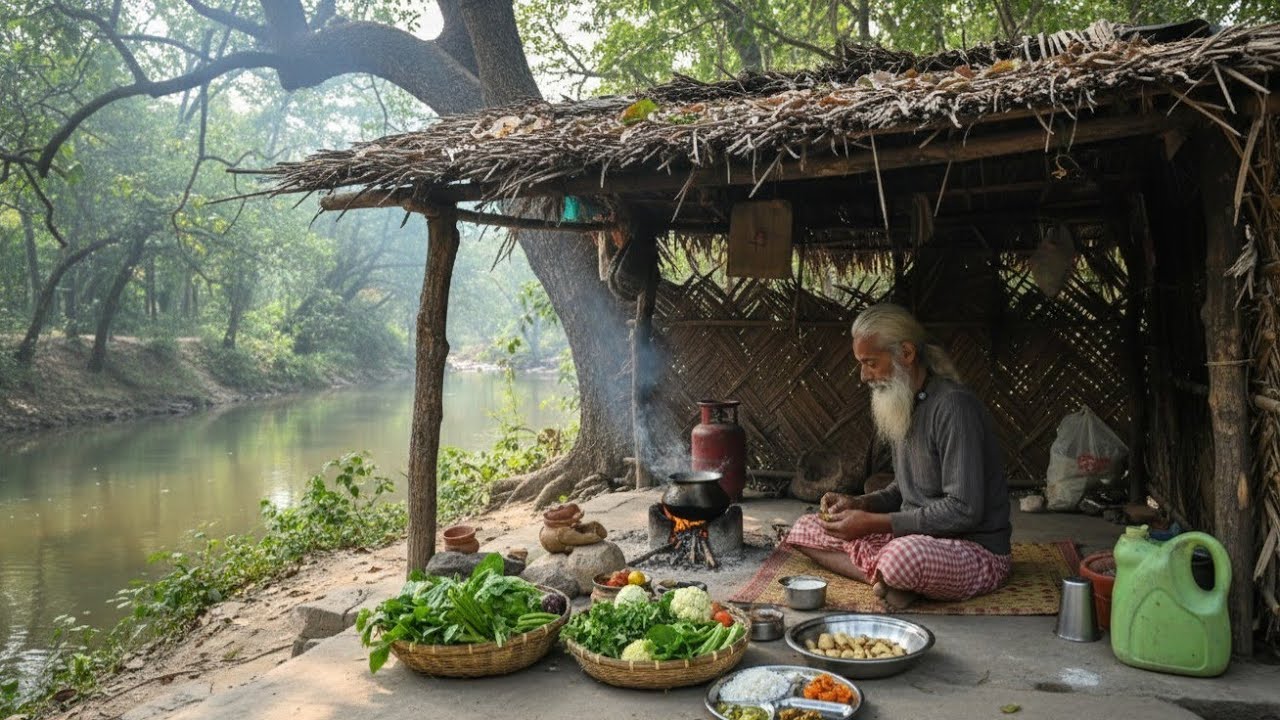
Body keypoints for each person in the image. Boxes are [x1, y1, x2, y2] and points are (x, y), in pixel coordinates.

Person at [784, 303, 1011, 610]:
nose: (864, 376)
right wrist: (860, 504)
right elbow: (904, 489)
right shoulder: (903, 402)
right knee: (804, 528)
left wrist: (874, 523)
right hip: (911, 537)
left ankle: (894, 577)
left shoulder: (954, 408)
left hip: (972, 549)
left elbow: (964, 510)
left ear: (906, 353)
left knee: (901, 558)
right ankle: (888, 582)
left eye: (870, 363)